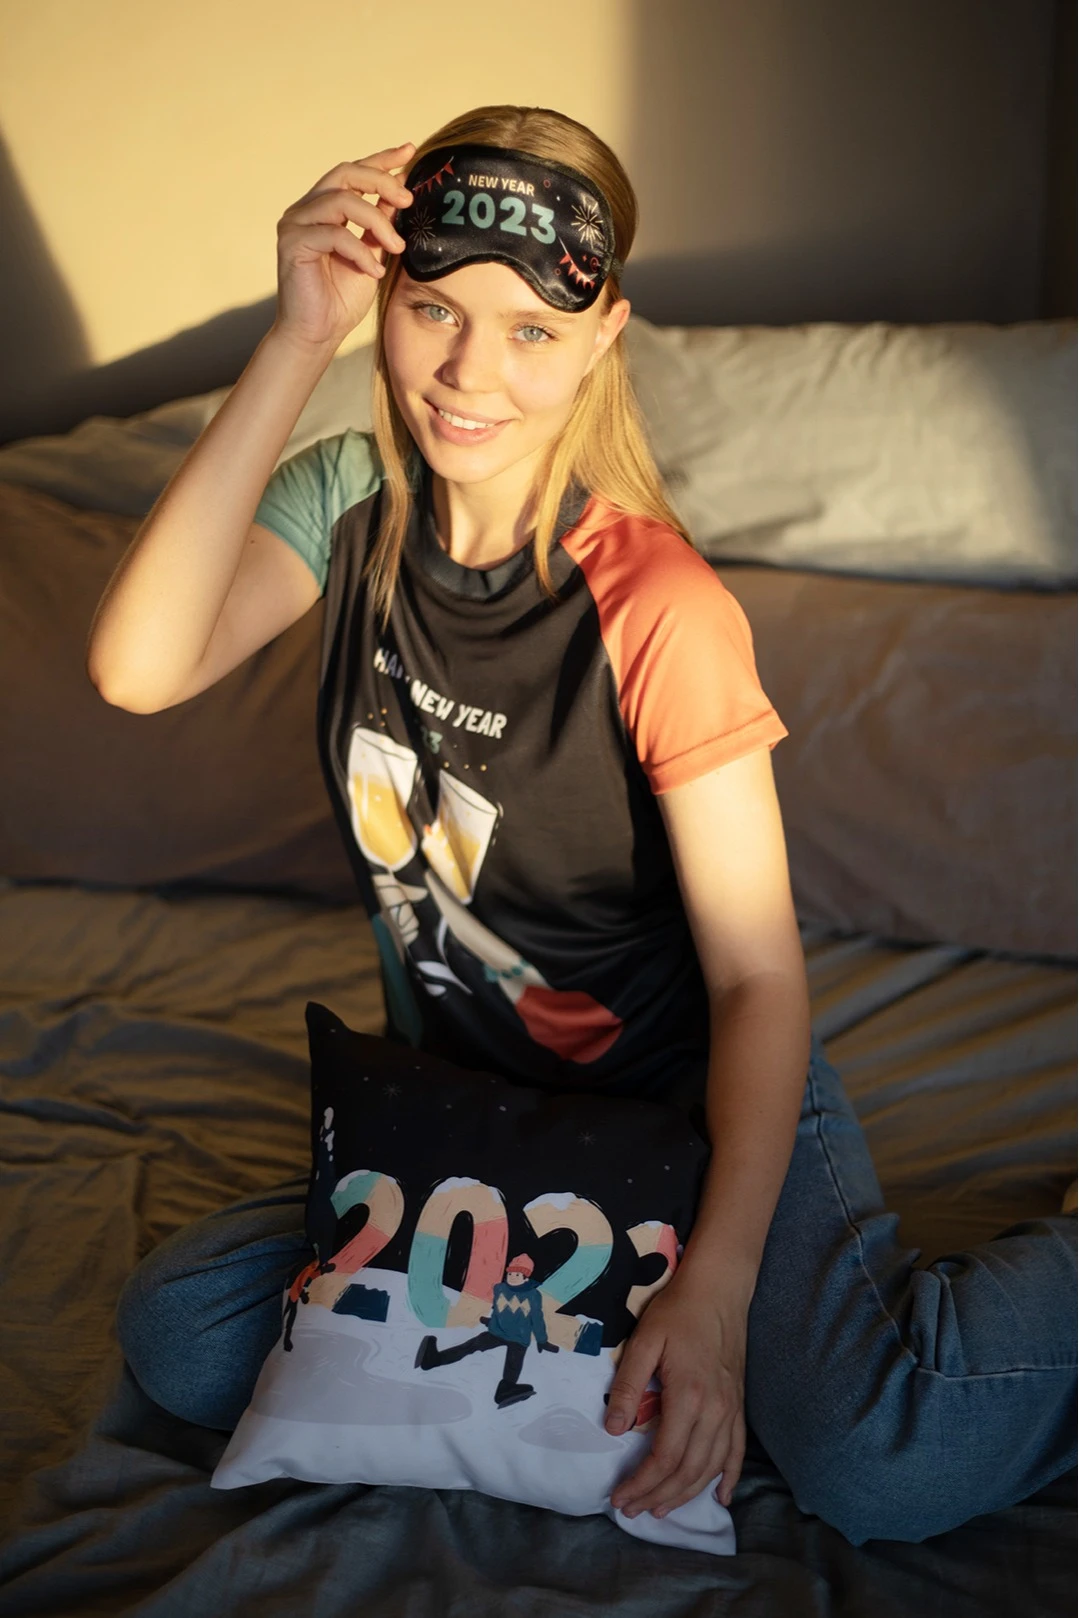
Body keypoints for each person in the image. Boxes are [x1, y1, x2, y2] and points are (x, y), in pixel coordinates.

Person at [90, 104, 1076, 1547]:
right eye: (432, 308)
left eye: (530, 331)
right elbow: (136, 668)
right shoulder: (348, 501)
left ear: (603, 334)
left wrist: (715, 1288)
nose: (467, 372)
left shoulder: (656, 605)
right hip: (474, 1116)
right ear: (384, 294)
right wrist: (298, 336)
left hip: (695, 1111)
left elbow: (759, 980)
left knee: (886, 1459)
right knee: (185, 1334)